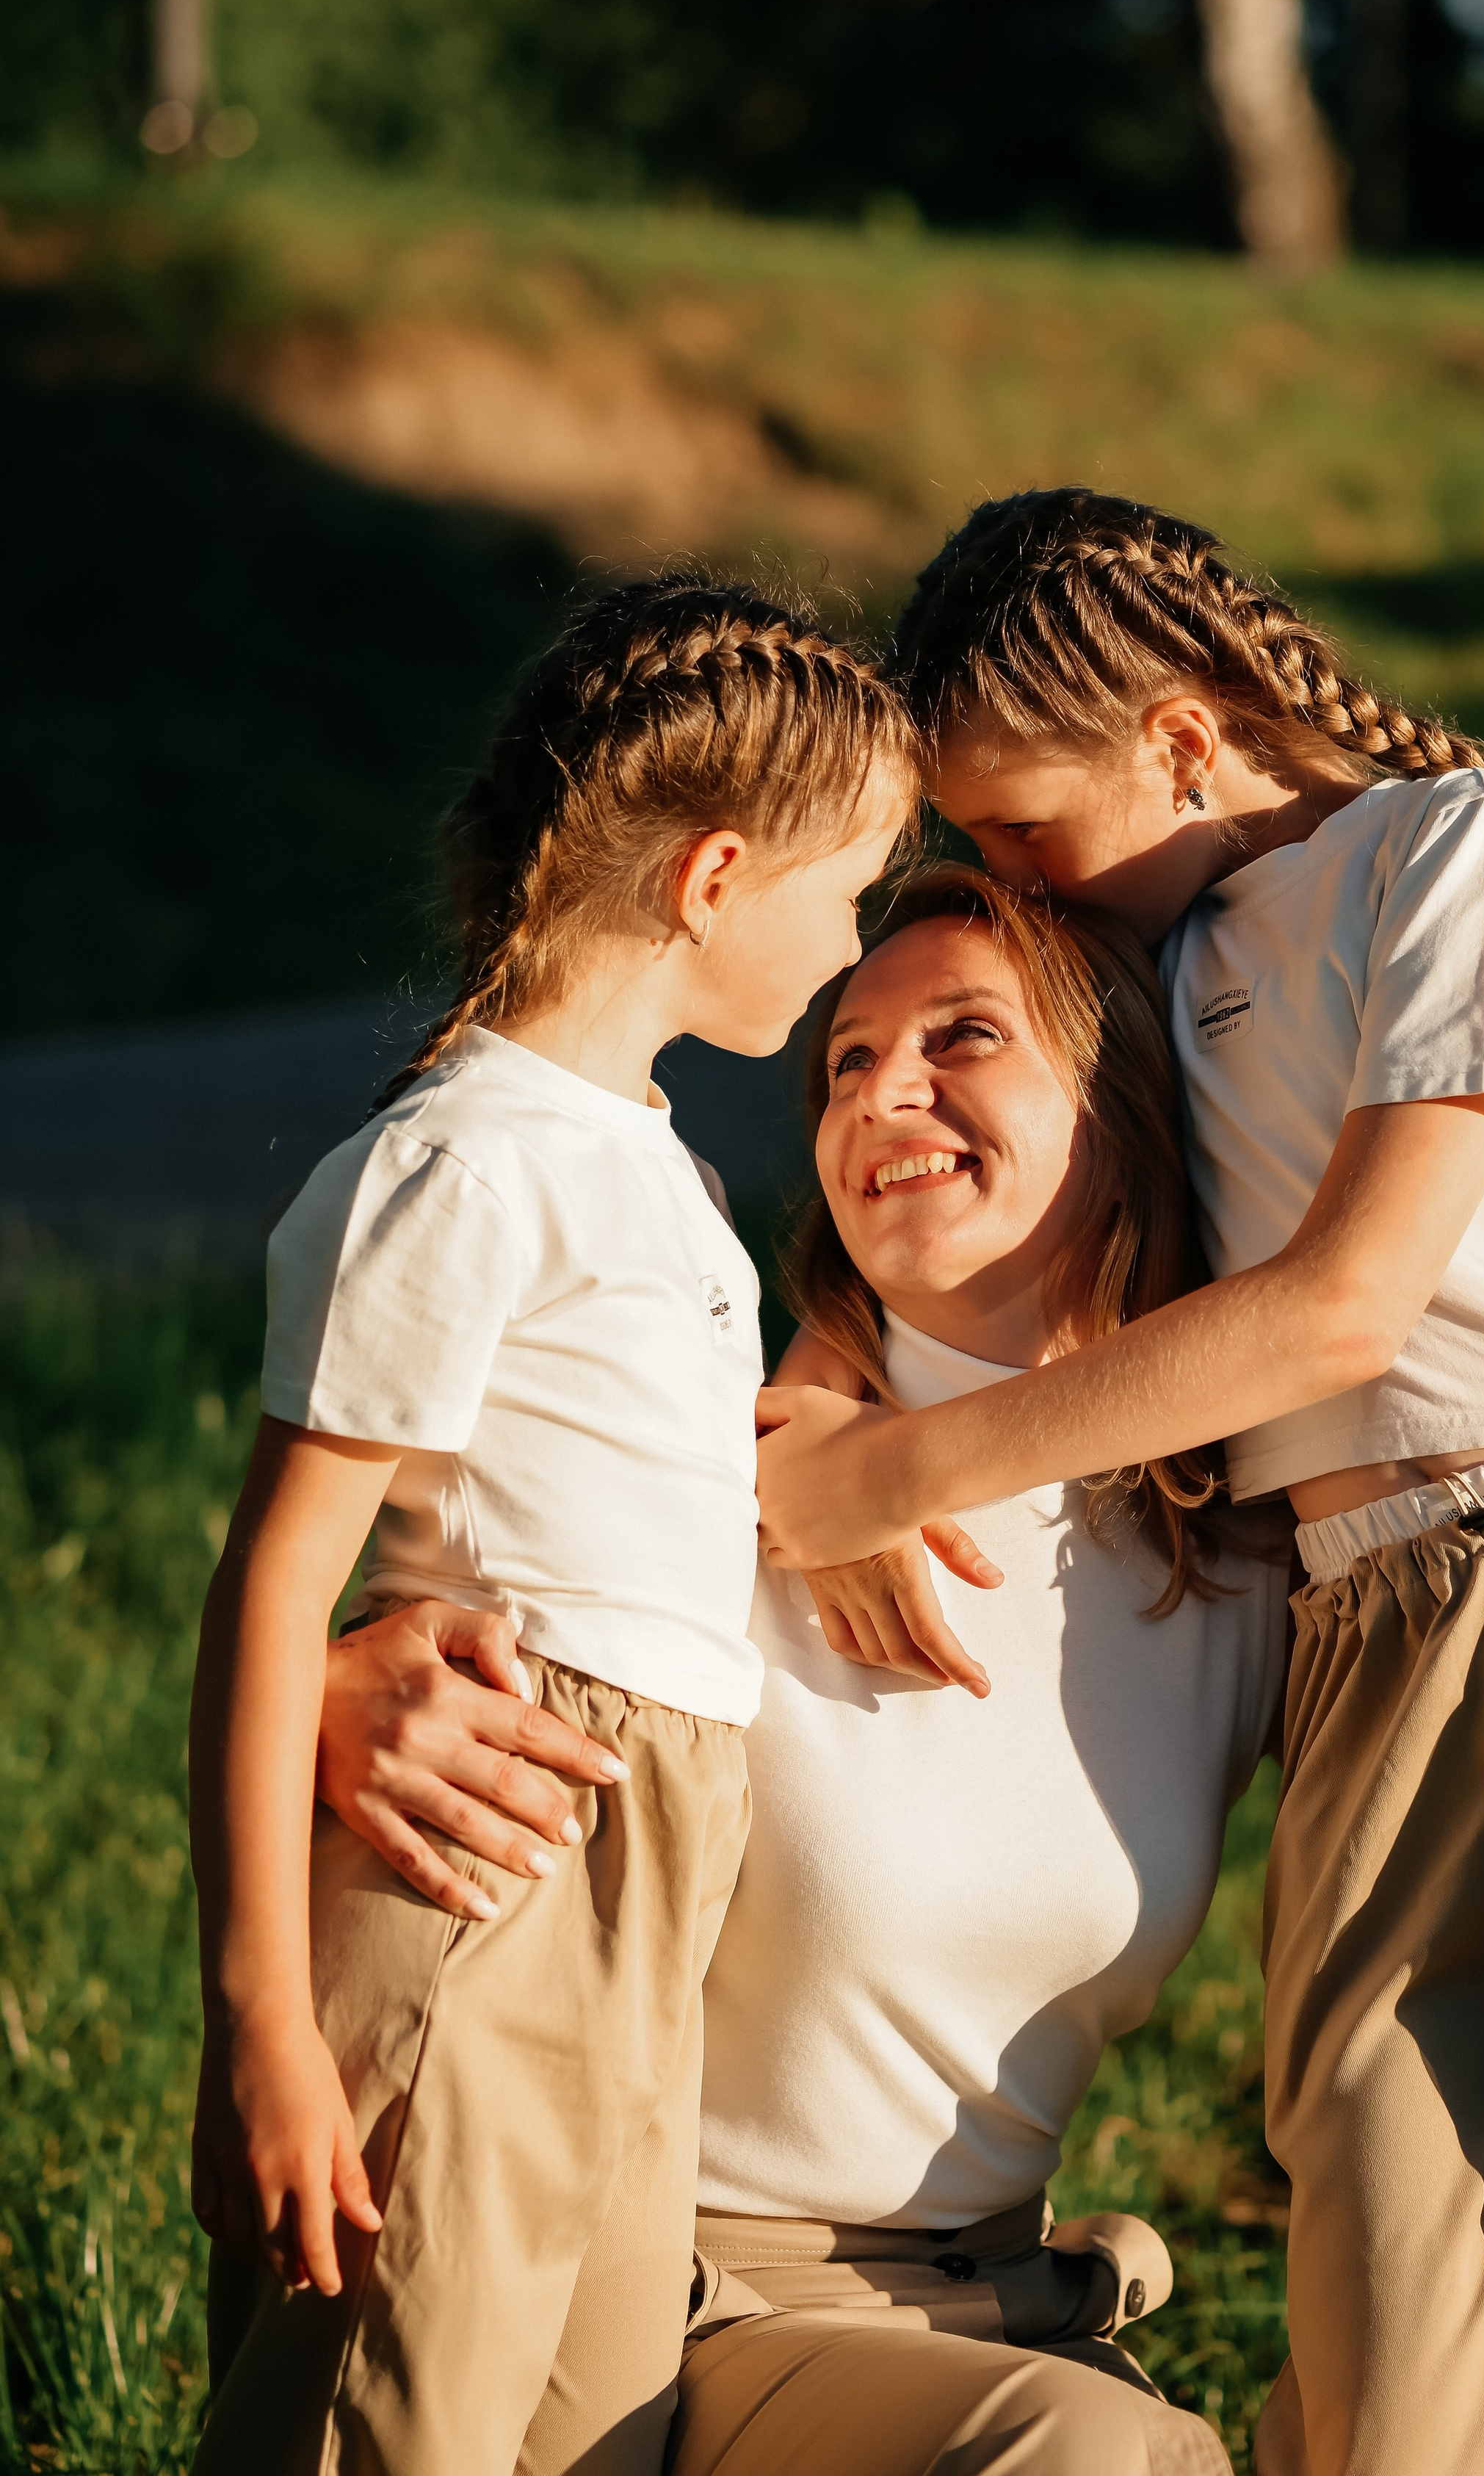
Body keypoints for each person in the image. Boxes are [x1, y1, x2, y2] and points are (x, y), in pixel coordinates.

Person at [756, 489, 1484, 2476]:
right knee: (1391, 2351)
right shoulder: (1150, 978)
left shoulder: (1453, 846)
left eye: (1025, 832)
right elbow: (1019, 1237)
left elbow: (1352, 1302)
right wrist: (822, 1376)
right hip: (1370, 1640)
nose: (1007, 880)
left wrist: (900, 1468)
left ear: (1184, 739)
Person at [313, 868, 1287, 2476]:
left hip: (999, 2302)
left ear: (1118, 1100)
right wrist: (334, 1687)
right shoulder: (709, 1467)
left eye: (963, 1036)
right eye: (846, 1058)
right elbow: (397, 1620)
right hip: (670, 2301)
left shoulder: (1232, 1551)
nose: (882, 1091)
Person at [187, 579, 917, 2476]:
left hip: (649, 1894)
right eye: (849, 896)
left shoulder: (656, 1171)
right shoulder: (461, 1165)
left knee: (591, 2429)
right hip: (485, 1880)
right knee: (392, 2417)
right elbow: (278, 1576)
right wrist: (264, 2020)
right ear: (713, 878)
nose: (852, 948)